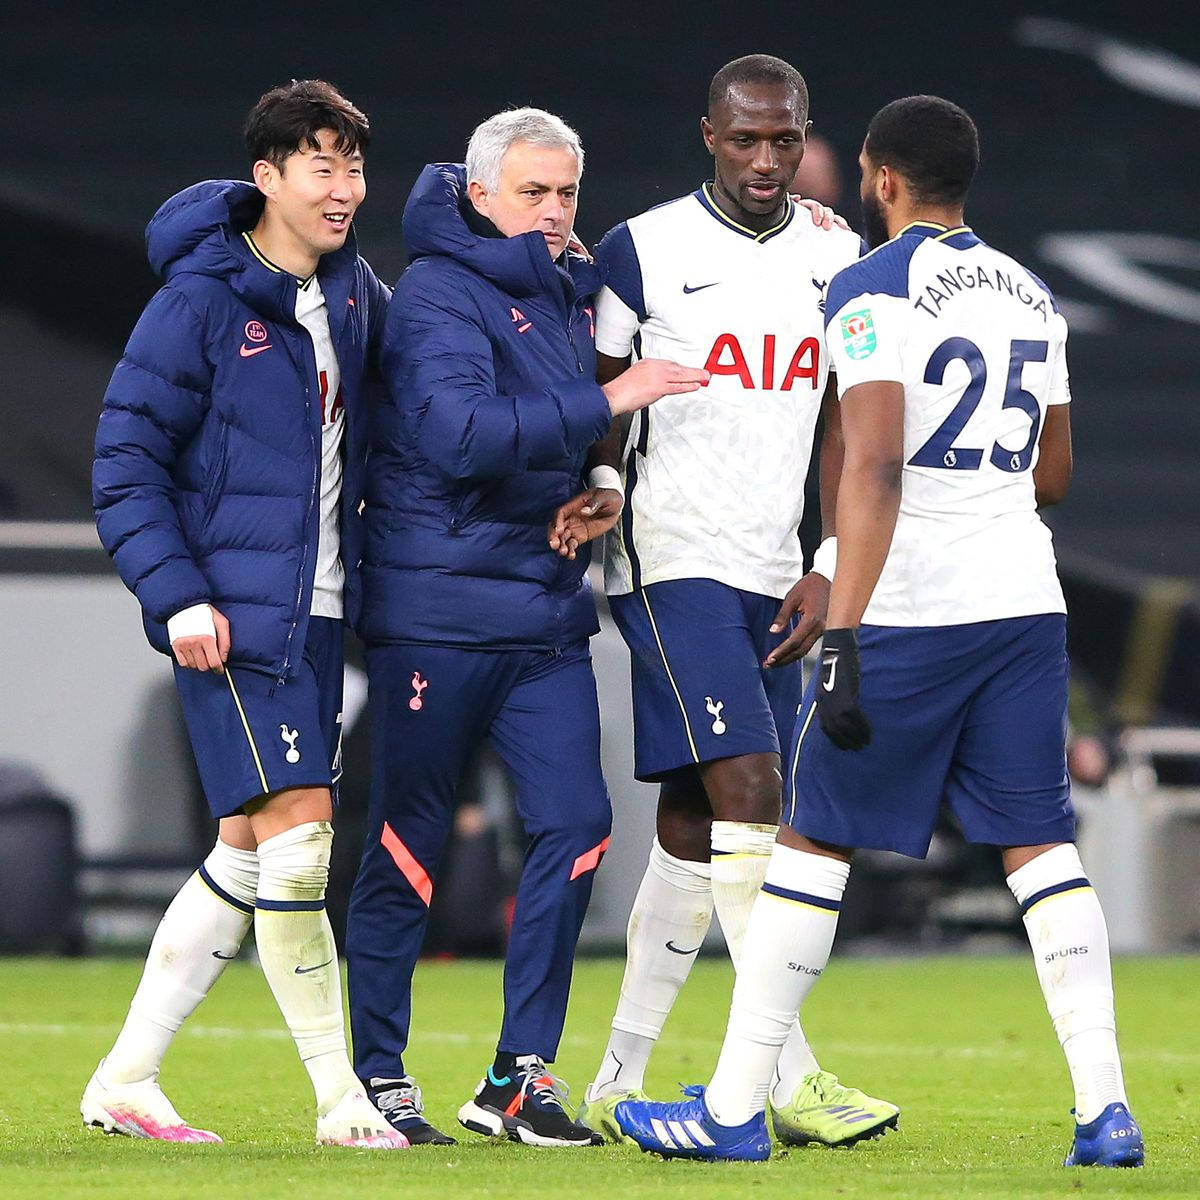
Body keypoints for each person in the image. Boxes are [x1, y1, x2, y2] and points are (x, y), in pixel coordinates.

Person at [615, 95, 1144, 1168]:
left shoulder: (869, 287)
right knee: (1040, 844)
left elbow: (870, 463)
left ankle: (728, 1111)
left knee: (810, 841)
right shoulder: (1032, 293)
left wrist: (843, 627)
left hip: (912, 607)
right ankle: (1106, 1110)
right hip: (1025, 604)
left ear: (880, 176)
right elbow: (1056, 472)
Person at [550, 54, 897, 1148]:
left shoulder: (839, 251)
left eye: (782, 139)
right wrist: (601, 484)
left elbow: (845, 411)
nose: (764, 159)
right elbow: (595, 398)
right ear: (709, 134)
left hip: (773, 564)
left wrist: (831, 552)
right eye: (744, 138)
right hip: (668, 558)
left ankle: (616, 1074)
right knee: (753, 789)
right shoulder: (643, 248)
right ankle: (783, 1076)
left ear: (805, 138)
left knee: (697, 823)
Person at [345, 107, 708, 1148]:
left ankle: (518, 1075)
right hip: (437, 615)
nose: (553, 214)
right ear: (479, 195)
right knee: (410, 845)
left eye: (565, 194)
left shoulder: (561, 291)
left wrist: (597, 480)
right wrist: (613, 403)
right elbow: (458, 438)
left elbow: (562, 427)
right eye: (533, 193)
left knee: (578, 826)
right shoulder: (438, 293)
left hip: (544, 611)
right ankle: (377, 1073)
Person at [85, 80, 404, 1149]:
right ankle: (339, 1099)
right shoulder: (200, 299)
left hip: (316, 613)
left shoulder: (354, 291)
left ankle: (128, 1077)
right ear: (264, 178)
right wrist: (175, 595)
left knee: (247, 849)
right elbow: (127, 462)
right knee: (303, 840)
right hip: (230, 613)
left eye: (354, 166)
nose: (345, 188)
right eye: (321, 165)